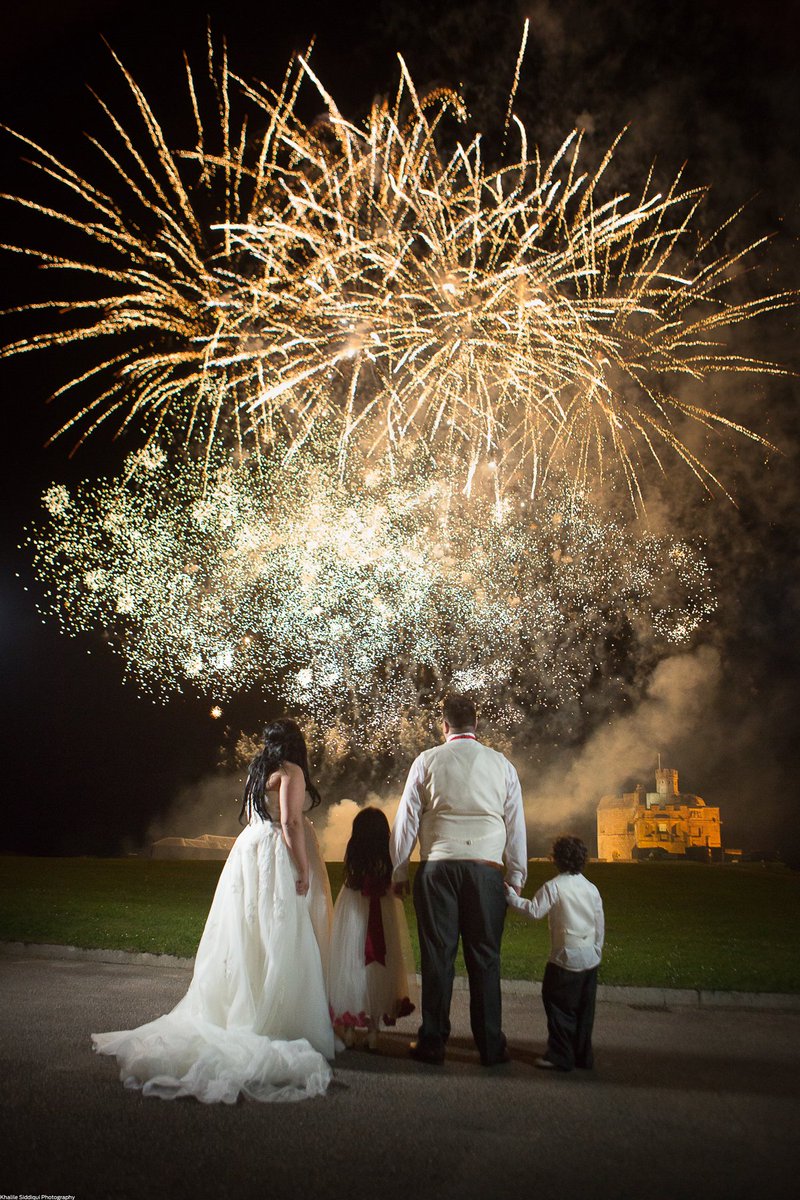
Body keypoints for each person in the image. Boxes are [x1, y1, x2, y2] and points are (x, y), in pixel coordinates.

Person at [92, 718, 336, 1103]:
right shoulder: (291, 772)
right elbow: (289, 822)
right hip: (272, 851)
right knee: (279, 931)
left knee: (246, 931)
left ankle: (241, 1004)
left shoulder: (260, 769)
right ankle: (274, 1017)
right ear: (296, 746)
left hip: (248, 850)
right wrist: (304, 868)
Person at [390, 693, 527, 1066]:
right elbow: (515, 825)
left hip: (439, 866)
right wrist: (516, 875)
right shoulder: (501, 765)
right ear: (476, 724)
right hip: (485, 868)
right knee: (486, 958)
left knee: (438, 956)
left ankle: (433, 1041)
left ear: (443, 724)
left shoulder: (426, 761)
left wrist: (399, 870)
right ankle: (490, 1044)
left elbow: (406, 822)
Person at [506, 834, 604, 1072]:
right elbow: (599, 922)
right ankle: (583, 1056)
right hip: (589, 957)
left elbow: (534, 911)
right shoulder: (591, 888)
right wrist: (596, 950)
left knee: (559, 1007)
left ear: (556, 859)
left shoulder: (554, 887)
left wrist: (511, 898)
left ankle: (560, 1055)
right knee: (584, 1011)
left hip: (565, 957)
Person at [328, 806, 418, 1049]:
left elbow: (353, 880)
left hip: (354, 907)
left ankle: (348, 1029)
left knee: (351, 962)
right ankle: (373, 1031)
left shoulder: (354, 852)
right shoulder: (388, 854)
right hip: (382, 908)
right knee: (381, 966)